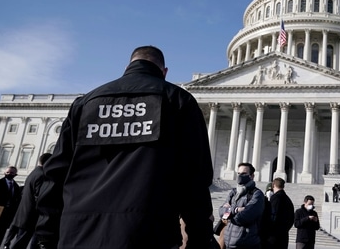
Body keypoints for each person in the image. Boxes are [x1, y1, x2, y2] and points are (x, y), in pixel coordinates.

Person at [34, 46, 214, 249]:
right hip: (148, 234)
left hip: (78, 233)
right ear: (164, 72)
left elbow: (55, 176)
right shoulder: (178, 101)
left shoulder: (86, 102)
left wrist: (46, 236)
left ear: (127, 67)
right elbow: (195, 179)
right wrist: (200, 239)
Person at [3, 153, 52, 249]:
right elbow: (39, 196)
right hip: (31, 216)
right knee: (20, 243)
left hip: (24, 213)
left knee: (19, 241)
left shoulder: (34, 173)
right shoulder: (42, 175)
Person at [219, 163, 264, 249]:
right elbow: (221, 212)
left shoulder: (257, 194)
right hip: (228, 243)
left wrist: (228, 211)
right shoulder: (234, 192)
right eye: (238, 173)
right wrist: (236, 210)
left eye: (244, 173)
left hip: (246, 244)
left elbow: (244, 217)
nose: (240, 176)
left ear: (252, 176)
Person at [267, 177, 294, 249]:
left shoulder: (276, 197)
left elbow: (273, 215)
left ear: (273, 185)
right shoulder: (288, 200)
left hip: (273, 236)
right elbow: (291, 219)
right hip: (284, 235)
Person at [0, 166, 21, 247]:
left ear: (15, 174)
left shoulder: (16, 187)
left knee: (1, 234)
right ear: (4, 173)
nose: (9, 174)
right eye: (7, 172)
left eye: (11, 173)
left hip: (7, 214)